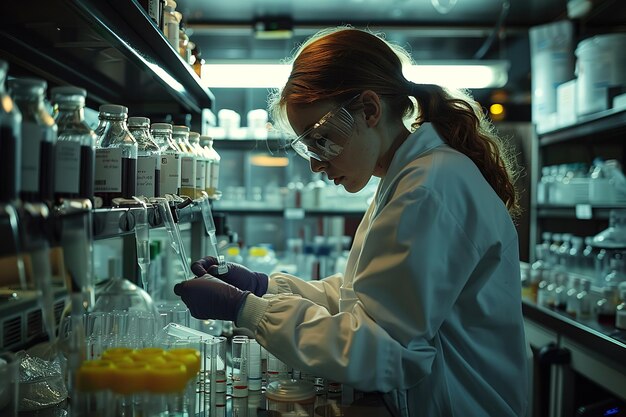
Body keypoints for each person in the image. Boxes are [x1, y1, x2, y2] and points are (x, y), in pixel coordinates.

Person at [174, 27, 528, 417]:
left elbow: (382, 350)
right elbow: (364, 300)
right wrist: (265, 286)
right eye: (306, 145)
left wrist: (248, 310)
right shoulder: (408, 177)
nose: (314, 162)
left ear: (370, 110)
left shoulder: (429, 187)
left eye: (320, 138)